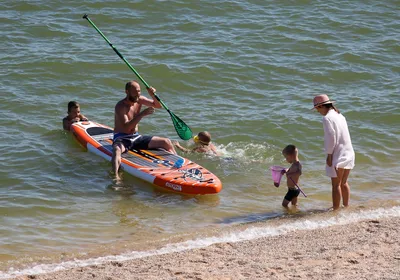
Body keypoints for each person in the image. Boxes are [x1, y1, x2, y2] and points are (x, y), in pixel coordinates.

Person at [112, 80, 177, 180]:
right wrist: (142, 114)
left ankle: (177, 165)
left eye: (139, 91)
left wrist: (153, 95)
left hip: (136, 137)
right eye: (135, 92)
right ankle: (116, 177)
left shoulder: (139, 99)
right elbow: (126, 127)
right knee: (116, 150)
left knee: (166, 142)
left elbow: (158, 105)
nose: (137, 95)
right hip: (122, 138)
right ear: (127, 92)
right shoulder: (120, 106)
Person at [312, 94, 355, 210]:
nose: (317, 111)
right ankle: (346, 207)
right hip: (349, 152)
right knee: (344, 183)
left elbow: (331, 137)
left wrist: (329, 155)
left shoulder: (327, 118)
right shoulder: (339, 115)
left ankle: (335, 210)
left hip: (338, 153)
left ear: (321, 106)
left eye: (316, 108)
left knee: (335, 185)